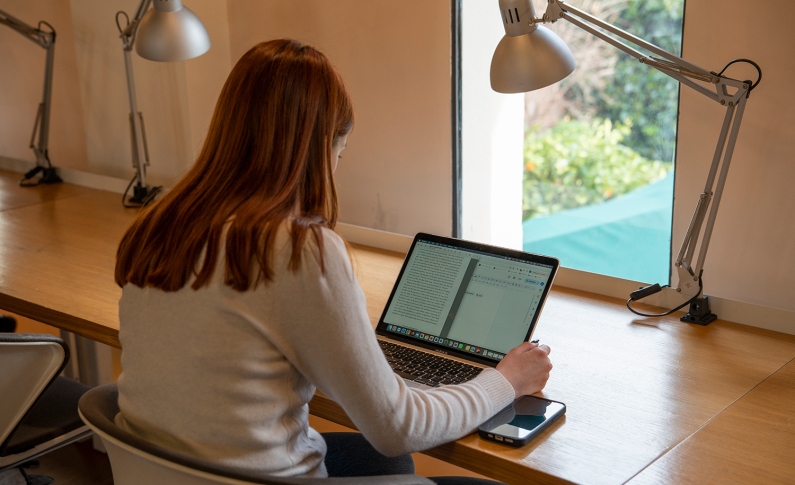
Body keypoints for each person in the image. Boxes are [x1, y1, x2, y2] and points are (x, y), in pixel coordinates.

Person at [114, 39, 552, 482]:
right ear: (325, 144)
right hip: (248, 478)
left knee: (384, 464)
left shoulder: (163, 223)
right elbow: (398, 427)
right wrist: (507, 381)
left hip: (165, 470)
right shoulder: (299, 249)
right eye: (341, 151)